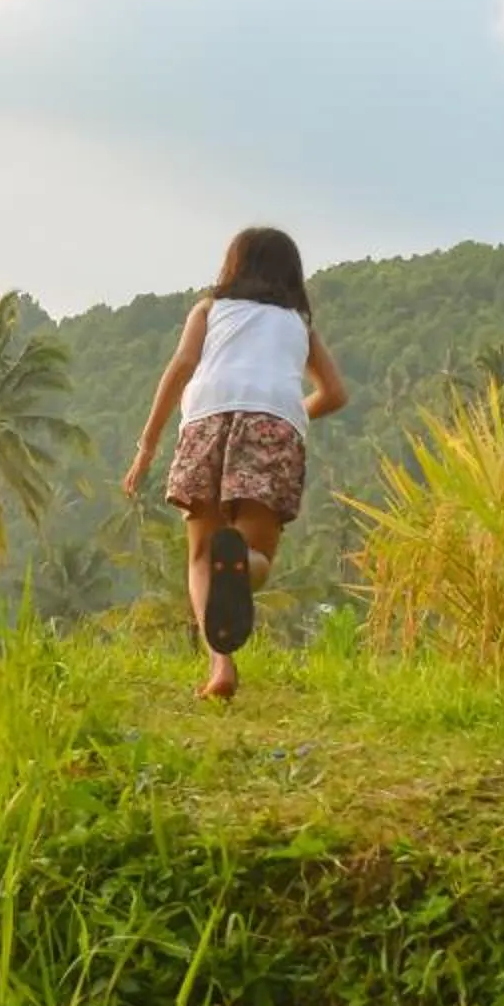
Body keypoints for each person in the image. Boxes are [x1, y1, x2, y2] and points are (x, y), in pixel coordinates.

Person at [120, 225, 348, 700]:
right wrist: (286, 412)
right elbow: (335, 393)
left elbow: (181, 366)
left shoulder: (209, 309)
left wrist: (146, 446)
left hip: (205, 414)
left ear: (234, 265)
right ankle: (242, 561)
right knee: (257, 555)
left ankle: (221, 666)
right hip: (274, 419)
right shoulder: (298, 325)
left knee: (201, 556)